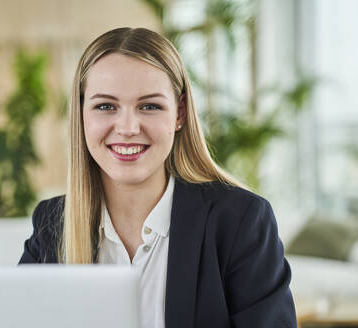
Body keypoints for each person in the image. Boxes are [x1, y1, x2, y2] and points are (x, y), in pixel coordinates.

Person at [18, 27, 297, 328]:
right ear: (81, 114)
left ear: (179, 114)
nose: (127, 127)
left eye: (149, 106)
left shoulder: (239, 220)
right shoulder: (52, 224)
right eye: (105, 106)